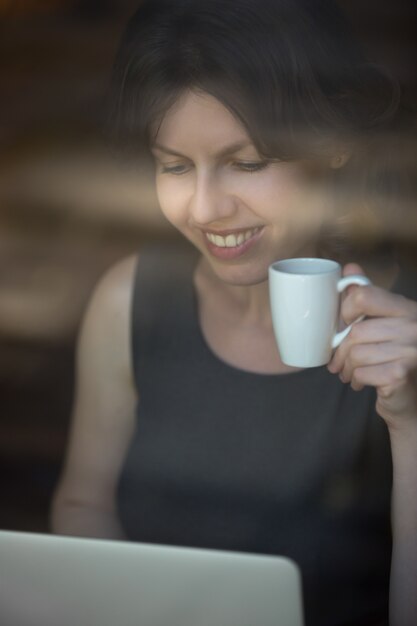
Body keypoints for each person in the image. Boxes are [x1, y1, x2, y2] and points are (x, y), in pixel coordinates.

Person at [51, 1, 417, 624]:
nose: (203, 208)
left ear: (333, 143)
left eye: (246, 163)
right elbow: (86, 505)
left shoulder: (404, 339)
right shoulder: (128, 301)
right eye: (173, 166)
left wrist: (409, 424)